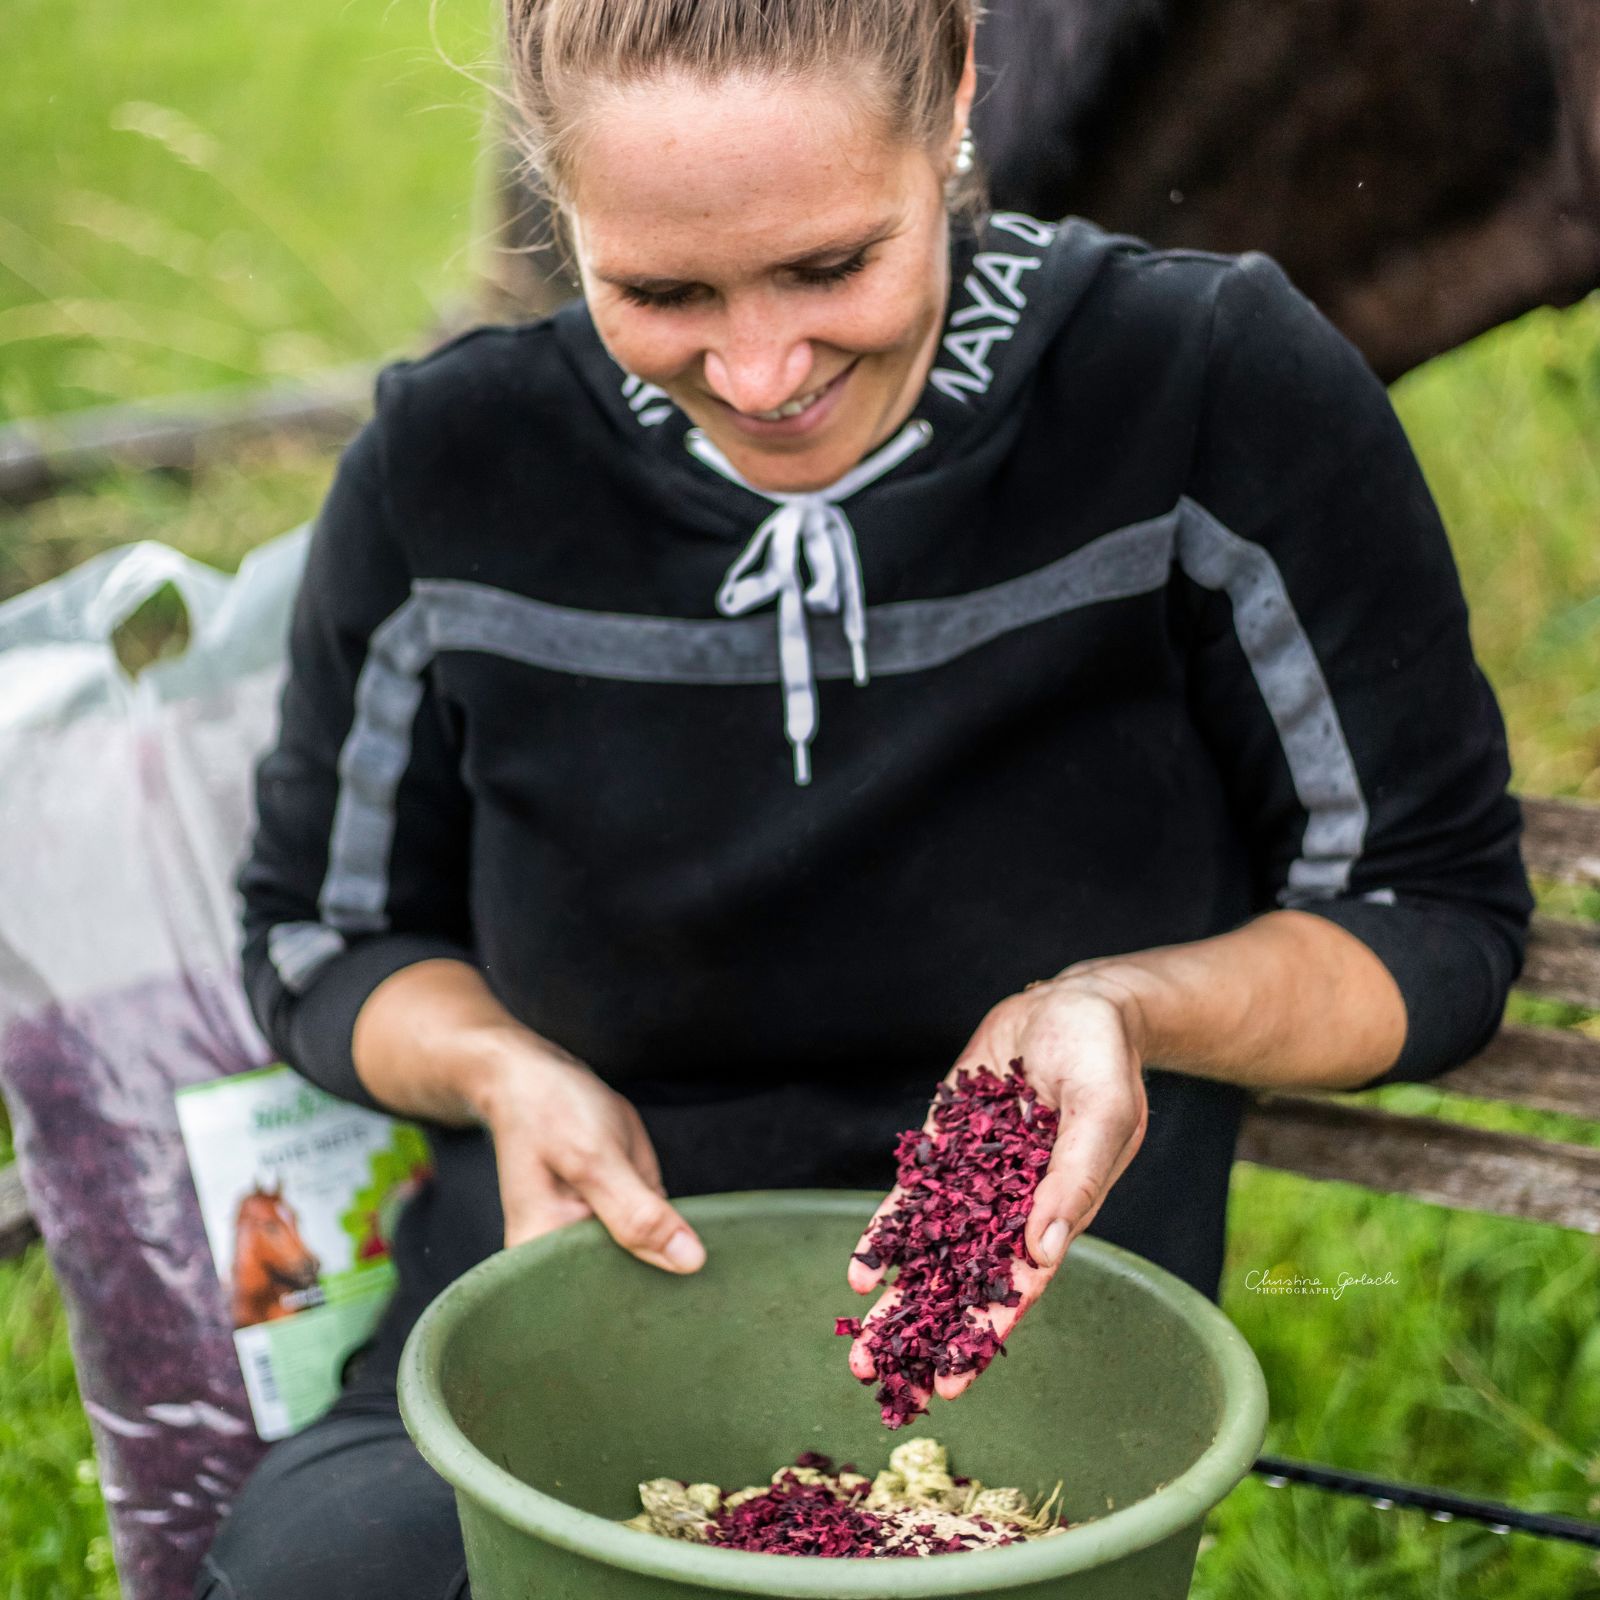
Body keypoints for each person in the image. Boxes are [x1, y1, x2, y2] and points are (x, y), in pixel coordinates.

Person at [196, 0, 1533, 1594]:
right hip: (553, 1325)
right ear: (561, 207)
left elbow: (1427, 920)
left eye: (833, 266)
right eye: (662, 290)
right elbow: (315, 938)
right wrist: (492, 1067)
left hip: (1023, 1382)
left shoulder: (1201, 390)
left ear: (960, 90)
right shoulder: (454, 463)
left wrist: (1127, 1006)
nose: (762, 375)